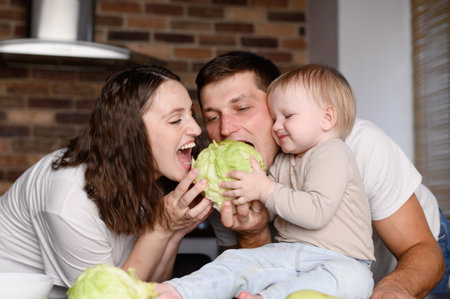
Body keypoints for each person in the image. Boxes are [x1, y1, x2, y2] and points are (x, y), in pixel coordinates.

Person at [195, 51, 446, 298]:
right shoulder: (222, 185)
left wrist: (395, 289)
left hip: (412, 262)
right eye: (213, 117)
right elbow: (252, 280)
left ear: (276, 105)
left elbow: (420, 248)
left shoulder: (357, 145)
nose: (225, 129)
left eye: (241, 108)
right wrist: (252, 234)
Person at [154, 64, 376, 299]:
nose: (277, 126)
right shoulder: (284, 160)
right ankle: (180, 290)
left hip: (339, 259)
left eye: (287, 116)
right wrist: (243, 200)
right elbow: (270, 210)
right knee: (237, 260)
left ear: (327, 117)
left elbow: (317, 212)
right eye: (274, 117)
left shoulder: (333, 152)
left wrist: (264, 189)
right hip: (288, 254)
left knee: (356, 279)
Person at [0, 65, 213, 299]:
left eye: (191, 114)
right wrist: (161, 226)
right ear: (132, 133)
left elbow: (150, 289)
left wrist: (173, 231)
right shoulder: (71, 198)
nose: (195, 128)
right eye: (175, 120)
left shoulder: (154, 176)